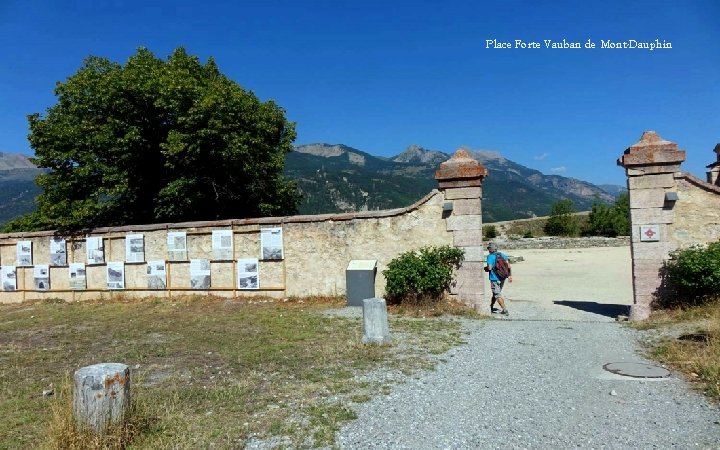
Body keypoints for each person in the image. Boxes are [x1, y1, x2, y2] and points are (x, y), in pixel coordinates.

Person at [484, 241, 512, 315]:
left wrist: (485, 268)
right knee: (495, 293)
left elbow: (489, 268)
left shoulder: (490, 256)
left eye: (488, 248)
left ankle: (505, 310)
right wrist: (509, 275)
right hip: (502, 277)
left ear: (491, 249)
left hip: (494, 278)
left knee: (497, 294)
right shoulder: (502, 255)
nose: (488, 250)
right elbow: (508, 266)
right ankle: (491, 306)